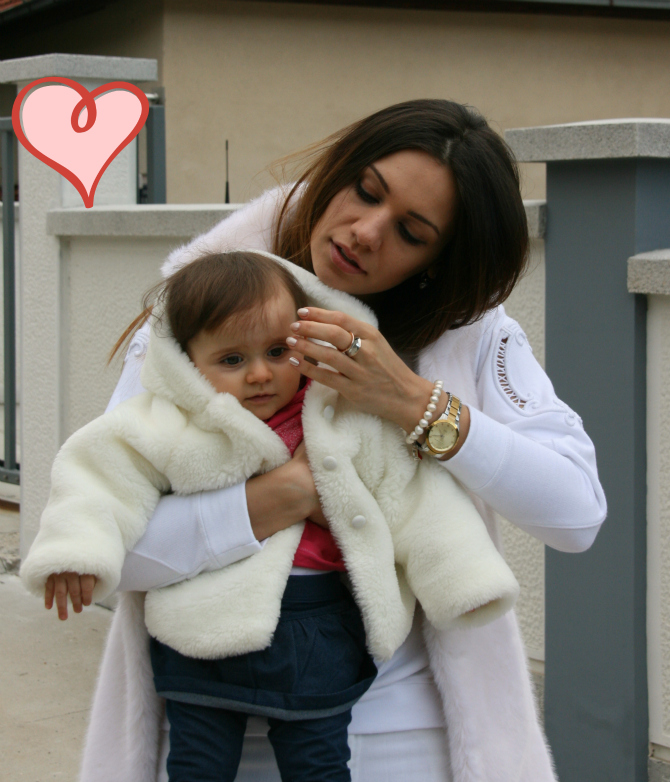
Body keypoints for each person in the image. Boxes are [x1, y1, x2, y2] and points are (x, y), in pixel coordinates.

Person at [65, 99, 604, 782]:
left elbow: (576, 514)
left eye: (410, 231)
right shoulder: (201, 306)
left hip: (412, 733)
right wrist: (285, 495)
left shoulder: (472, 335)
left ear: (437, 260)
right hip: (214, 732)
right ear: (337, 171)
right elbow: (118, 550)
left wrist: (409, 400)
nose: (366, 232)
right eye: (366, 191)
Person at [21, 249, 518, 782]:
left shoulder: (347, 417)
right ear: (186, 361)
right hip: (201, 628)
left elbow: (417, 499)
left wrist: (464, 578)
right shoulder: (169, 421)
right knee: (196, 767)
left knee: (319, 766)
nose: (260, 374)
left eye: (279, 351)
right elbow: (99, 478)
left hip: (320, 625)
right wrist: (76, 549)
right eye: (232, 359)